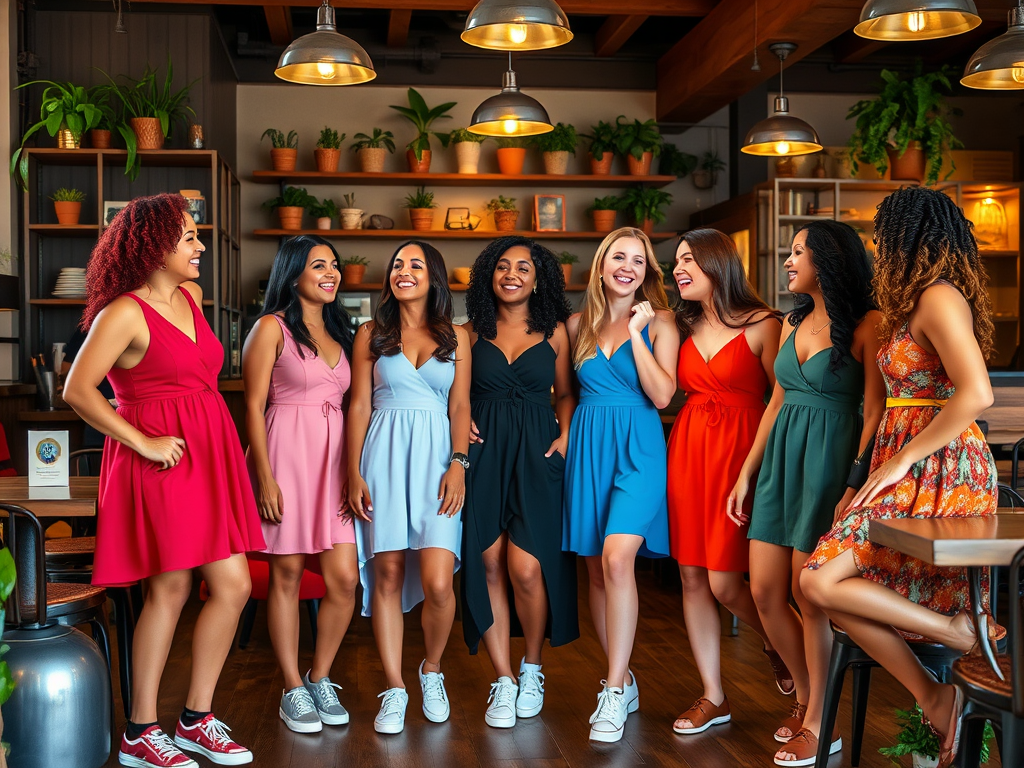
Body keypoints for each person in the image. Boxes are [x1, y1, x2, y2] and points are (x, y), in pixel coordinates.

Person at [800, 187, 998, 768]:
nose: (879, 247)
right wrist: (861, 476)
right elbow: (879, 405)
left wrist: (904, 458)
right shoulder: (901, 305)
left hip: (941, 464)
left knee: (818, 582)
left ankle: (953, 650)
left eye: (886, 235)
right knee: (820, 585)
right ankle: (942, 684)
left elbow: (977, 394)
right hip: (897, 459)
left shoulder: (939, 297)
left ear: (912, 237)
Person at [63, 193, 262, 768]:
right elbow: (78, 391)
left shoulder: (191, 297)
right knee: (170, 588)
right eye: (189, 238)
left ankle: (196, 719)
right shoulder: (124, 312)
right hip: (159, 458)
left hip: (208, 451)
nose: (200, 247)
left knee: (233, 585)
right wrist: (143, 441)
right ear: (154, 247)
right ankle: (140, 732)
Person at [727, 220, 885, 766]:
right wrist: (748, 471)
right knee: (767, 591)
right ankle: (806, 692)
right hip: (780, 465)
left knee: (807, 593)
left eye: (798, 252)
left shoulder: (868, 323)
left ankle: (821, 721)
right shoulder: (793, 322)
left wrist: (853, 481)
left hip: (829, 466)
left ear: (829, 261)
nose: (788, 260)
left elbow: (874, 411)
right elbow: (776, 401)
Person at [665, 229, 793, 736]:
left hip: (743, 456)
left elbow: (782, 400)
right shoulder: (678, 324)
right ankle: (713, 695)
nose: (678, 269)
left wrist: (756, 468)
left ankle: (783, 643)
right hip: (689, 453)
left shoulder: (765, 324)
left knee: (727, 582)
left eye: (688, 259)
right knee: (693, 577)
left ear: (718, 263)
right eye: (676, 260)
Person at [346, 241, 471, 735]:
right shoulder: (370, 334)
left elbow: (460, 407)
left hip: (438, 461)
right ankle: (395, 687)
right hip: (382, 457)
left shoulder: (457, 336)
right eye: (397, 264)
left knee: (441, 580)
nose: (403, 271)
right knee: (390, 574)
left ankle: (432, 669)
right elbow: (359, 406)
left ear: (433, 276)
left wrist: (459, 462)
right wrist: (352, 472)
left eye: (415, 264)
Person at [563, 226, 679, 743]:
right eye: (618, 257)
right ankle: (624, 678)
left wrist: (637, 332)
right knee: (594, 568)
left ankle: (611, 690)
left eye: (638, 259)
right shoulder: (576, 324)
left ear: (647, 271)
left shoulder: (663, 323)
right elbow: (564, 394)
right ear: (602, 266)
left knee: (616, 559)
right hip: (588, 446)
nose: (627, 266)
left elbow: (662, 396)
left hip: (639, 446)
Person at [461, 236, 579, 729]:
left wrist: (567, 435)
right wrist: (459, 423)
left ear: (538, 278)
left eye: (523, 268)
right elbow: (454, 395)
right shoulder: (468, 333)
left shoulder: (554, 330)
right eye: (503, 266)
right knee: (487, 561)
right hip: (484, 454)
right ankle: (503, 680)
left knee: (527, 567)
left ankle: (533, 667)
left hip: (536, 451)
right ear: (489, 274)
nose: (512, 274)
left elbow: (568, 393)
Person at [242, 235, 357, 733]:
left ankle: (319, 676)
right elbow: (250, 406)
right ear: (293, 275)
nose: (331, 272)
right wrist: (264, 478)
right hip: (286, 456)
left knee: (344, 580)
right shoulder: (270, 328)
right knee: (286, 578)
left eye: (334, 265)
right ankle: (292, 688)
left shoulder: (343, 333)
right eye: (319, 265)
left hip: (335, 466)